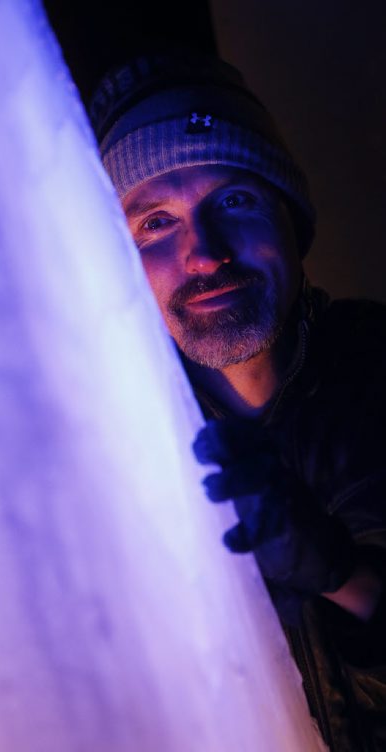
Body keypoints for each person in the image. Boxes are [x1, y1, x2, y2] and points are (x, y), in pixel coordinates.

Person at [89, 52, 386, 751]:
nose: (205, 254)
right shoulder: (102, 448)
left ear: (292, 218)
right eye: (155, 223)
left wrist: (345, 576)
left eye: (234, 200)